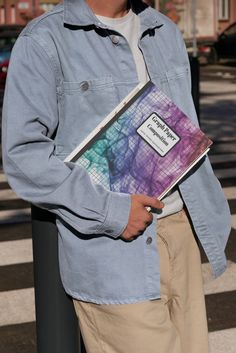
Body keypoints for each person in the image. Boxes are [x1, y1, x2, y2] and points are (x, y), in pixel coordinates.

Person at [2, 1, 231, 353]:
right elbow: (23, 155)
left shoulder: (163, 30)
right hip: (114, 250)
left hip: (180, 230)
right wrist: (110, 211)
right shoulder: (45, 39)